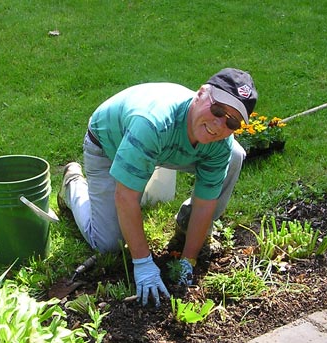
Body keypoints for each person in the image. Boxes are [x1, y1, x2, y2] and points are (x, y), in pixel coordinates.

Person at [57, 68, 258, 306]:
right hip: (108, 145)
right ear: (201, 93)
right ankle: (72, 185)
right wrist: (142, 262)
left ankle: (186, 221)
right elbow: (126, 196)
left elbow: (205, 203)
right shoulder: (153, 122)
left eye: (232, 121)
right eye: (217, 109)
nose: (219, 124)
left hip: (162, 145)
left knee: (234, 154)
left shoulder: (219, 141)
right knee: (108, 243)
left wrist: (188, 260)